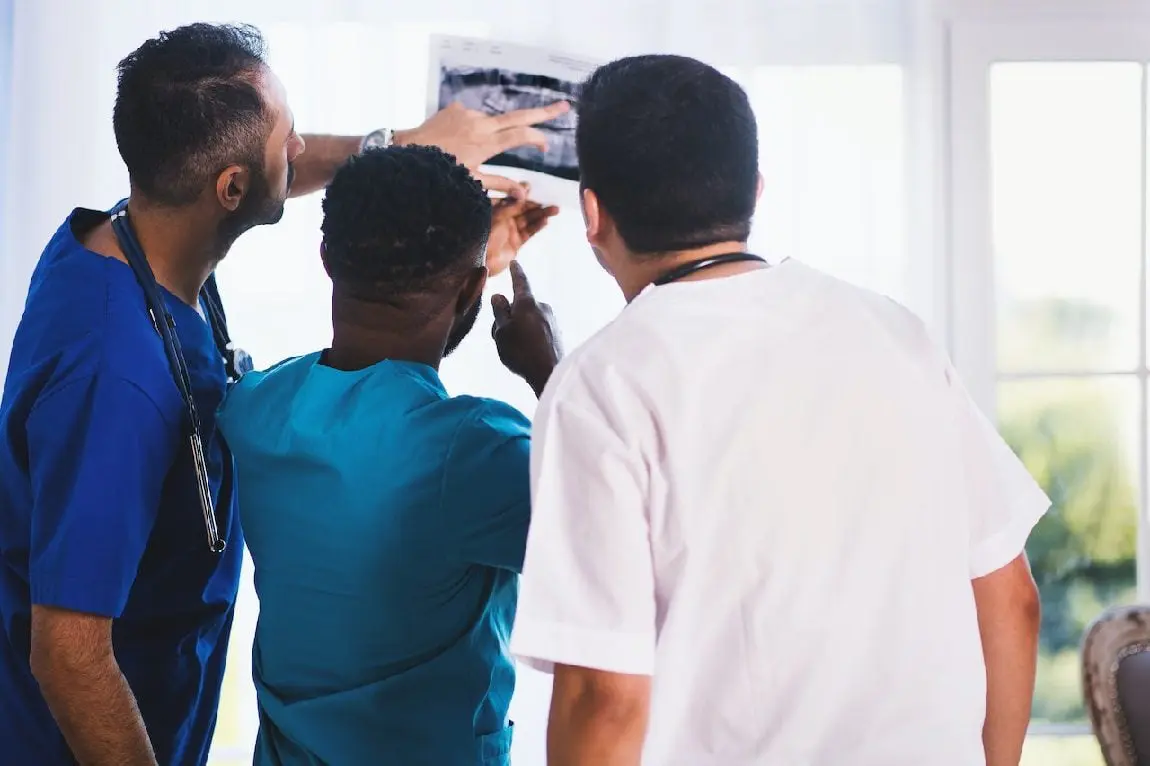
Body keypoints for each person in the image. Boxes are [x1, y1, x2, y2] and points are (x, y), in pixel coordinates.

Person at [0, 22, 565, 766]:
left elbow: (263, 185)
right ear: (231, 188)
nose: (302, 152)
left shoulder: (131, 244)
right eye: (288, 138)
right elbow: (69, 655)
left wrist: (404, 159)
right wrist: (542, 365)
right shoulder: (117, 377)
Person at [510, 54, 1047, 766]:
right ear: (755, 193)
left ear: (592, 210)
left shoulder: (600, 384)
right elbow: (1011, 601)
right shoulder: (894, 333)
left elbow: (603, 696)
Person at [215, 145, 562, 766]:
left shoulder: (254, 409)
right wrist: (552, 375)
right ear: (473, 290)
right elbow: (619, 536)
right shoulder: (474, 453)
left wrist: (465, 272)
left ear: (327, 260)